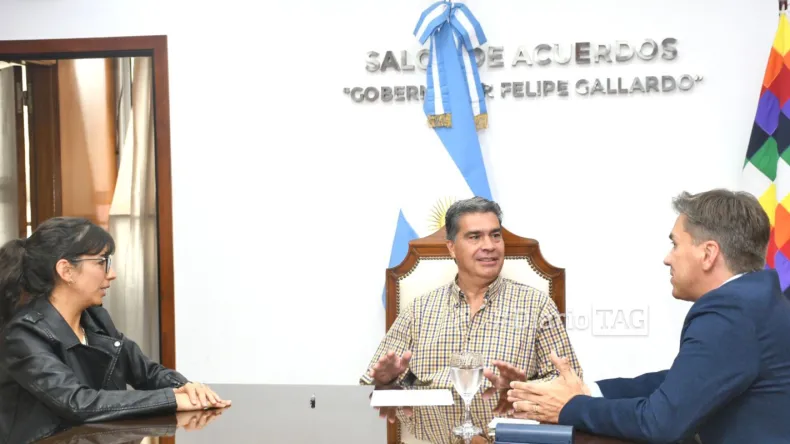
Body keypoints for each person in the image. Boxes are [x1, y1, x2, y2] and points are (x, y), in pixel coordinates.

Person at [508, 189, 790, 443]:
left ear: (708, 254)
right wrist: (587, 390)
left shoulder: (730, 312)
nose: (668, 258)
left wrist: (570, 406)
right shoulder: (757, 301)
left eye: (675, 244)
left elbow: (660, 423)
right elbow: (687, 381)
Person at [0, 217, 231, 443]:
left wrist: (187, 389)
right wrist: (171, 399)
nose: (112, 274)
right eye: (102, 262)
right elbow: (77, 403)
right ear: (66, 270)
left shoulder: (96, 319)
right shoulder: (23, 334)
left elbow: (147, 373)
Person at [361, 197, 582, 398]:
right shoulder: (418, 310)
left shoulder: (537, 306)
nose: (489, 246)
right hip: (433, 428)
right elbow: (370, 384)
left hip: (505, 424)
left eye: (495, 235)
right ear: (452, 248)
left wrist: (520, 388)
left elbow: (571, 384)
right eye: (475, 237)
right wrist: (385, 382)